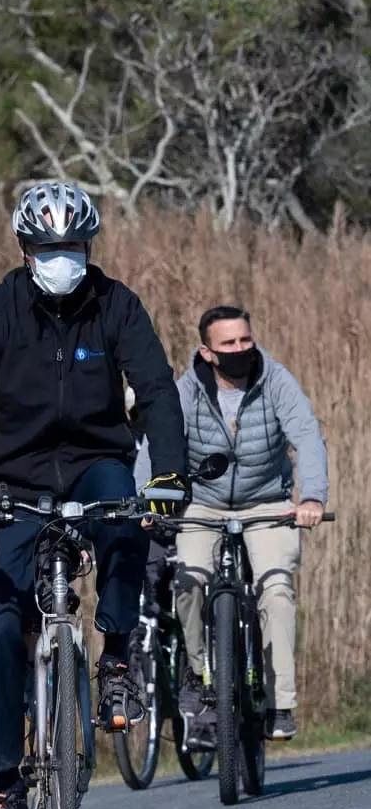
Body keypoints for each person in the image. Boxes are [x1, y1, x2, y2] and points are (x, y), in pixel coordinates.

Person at [0, 181, 188, 809]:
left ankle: (118, 657)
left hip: (95, 461)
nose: (61, 258)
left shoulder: (116, 304)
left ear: (88, 245)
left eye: (72, 246)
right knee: (0, 628)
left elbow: (156, 389)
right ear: (24, 248)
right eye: (48, 248)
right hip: (9, 479)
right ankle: (3, 790)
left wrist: (166, 474)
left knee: (127, 520)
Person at [136, 305, 328, 744]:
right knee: (187, 582)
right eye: (229, 344)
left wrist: (312, 497)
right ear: (207, 351)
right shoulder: (186, 390)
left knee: (276, 590)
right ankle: (202, 674)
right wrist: (150, 499)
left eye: (245, 340)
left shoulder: (276, 380)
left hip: (268, 504)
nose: (241, 349)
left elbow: (306, 436)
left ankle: (280, 702)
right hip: (202, 505)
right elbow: (157, 443)